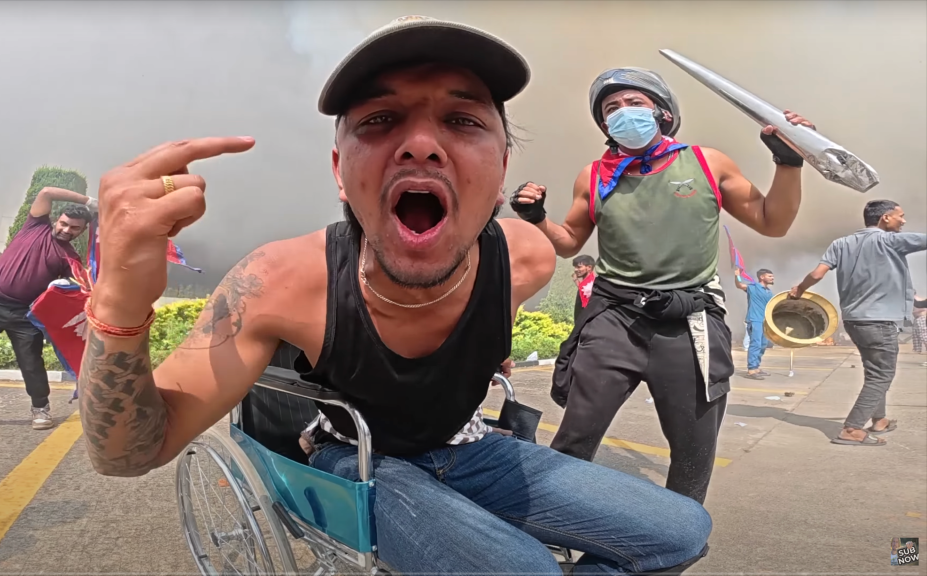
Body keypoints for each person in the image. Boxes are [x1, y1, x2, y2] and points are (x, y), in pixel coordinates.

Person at [77, 16, 712, 575]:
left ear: (499, 170)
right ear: (339, 173)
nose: (421, 144)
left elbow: (476, 340)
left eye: (463, 121)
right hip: (357, 460)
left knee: (684, 531)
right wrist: (120, 306)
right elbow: (133, 452)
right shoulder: (280, 280)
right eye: (380, 121)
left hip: (472, 449)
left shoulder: (528, 258)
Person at [511, 67, 815, 504]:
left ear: (663, 114)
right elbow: (568, 244)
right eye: (611, 109)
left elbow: (773, 221)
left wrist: (788, 162)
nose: (622, 113)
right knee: (575, 434)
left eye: (634, 103)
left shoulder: (707, 162)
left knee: (693, 449)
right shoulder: (594, 175)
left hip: (689, 319)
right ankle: (551, 526)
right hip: (615, 317)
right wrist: (538, 216)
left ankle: (674, 542)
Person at [0, 188, 96, 432]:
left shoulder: (70, 257)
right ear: (56, 219)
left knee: (31, 363)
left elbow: (80, 289)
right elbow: (47, 192)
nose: (66, 230)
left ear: (82, 231)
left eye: (74, 228)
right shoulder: (35, 225)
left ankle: (40, 407)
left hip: (24, 315)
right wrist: (90, 202)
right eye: (64, 223)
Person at [790, 199, 926, 446]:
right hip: (879, 322)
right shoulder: (890, 241)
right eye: (901, 216)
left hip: (854, 320)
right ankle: (852, 430)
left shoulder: (840, 244)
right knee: (881, 375)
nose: (904, 221)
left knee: (875, 371)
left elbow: (817, 274)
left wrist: (799, 289)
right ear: (885, 217)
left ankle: (880, 420)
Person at [732, 268, 775, 379]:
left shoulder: (769, 291)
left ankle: (756, 367)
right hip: (755, 320)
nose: (772, 278)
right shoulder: (753, 287)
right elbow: (739, 285)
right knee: (755, 344)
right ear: (762, 277)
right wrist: (737, 276)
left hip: (765, 322)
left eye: (772, 276)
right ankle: (751, 370)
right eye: (769, 276)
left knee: (763, 345)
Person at [573, 254, 596, 323]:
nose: (575, 270)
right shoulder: (588, 282)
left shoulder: (590, 285)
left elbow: (586, 307)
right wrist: (576, 280)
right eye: (575, 267)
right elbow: (582, 290)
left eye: (579, 267)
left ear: (589, 267)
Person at [912, 293, 927, 365]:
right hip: (918, 319)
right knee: (922, 338)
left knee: (925, 338)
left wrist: (914, 312)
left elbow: (923, 307)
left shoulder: (918, 300)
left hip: (921, 319)